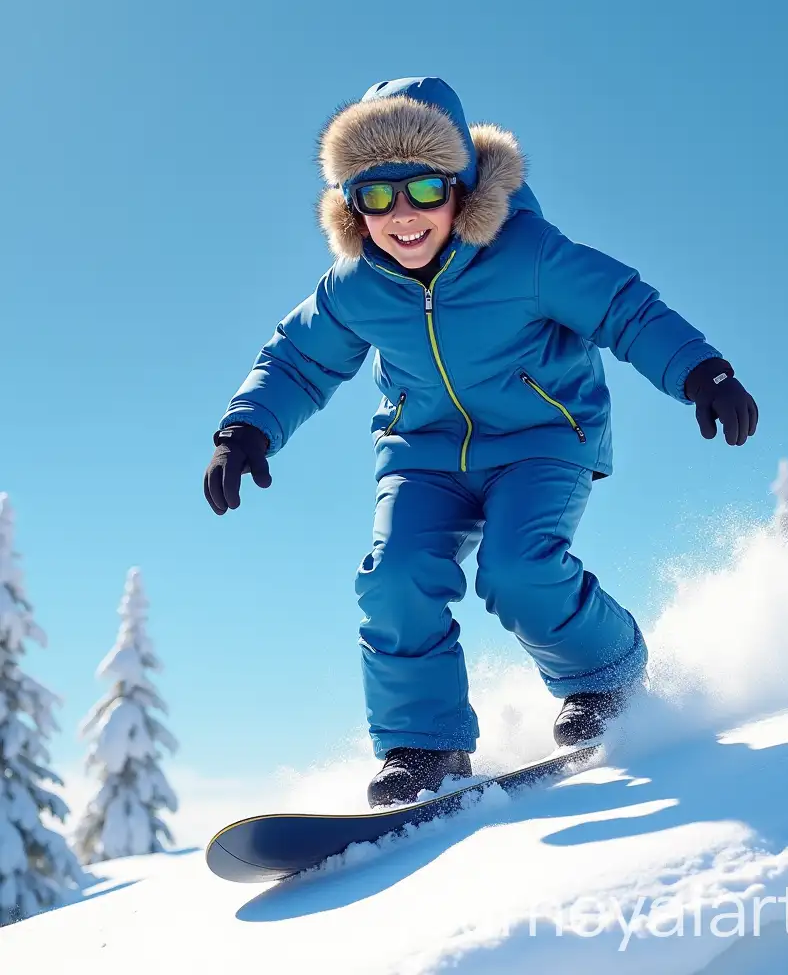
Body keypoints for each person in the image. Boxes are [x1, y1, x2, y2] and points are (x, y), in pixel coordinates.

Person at [203, 77, 758, 807]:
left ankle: (606, 677)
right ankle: (425, 746)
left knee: (518, 570)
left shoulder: (527, 252)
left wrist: (701, 371)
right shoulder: (354, 286)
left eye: (424, 191)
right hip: (424, 453)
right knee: (396, 575)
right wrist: (245, 428)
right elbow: (298, 359)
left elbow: (623, 309)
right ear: (351, 208)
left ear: (461, 189)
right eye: (376, 197)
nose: (403, 217)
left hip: (542, 439)